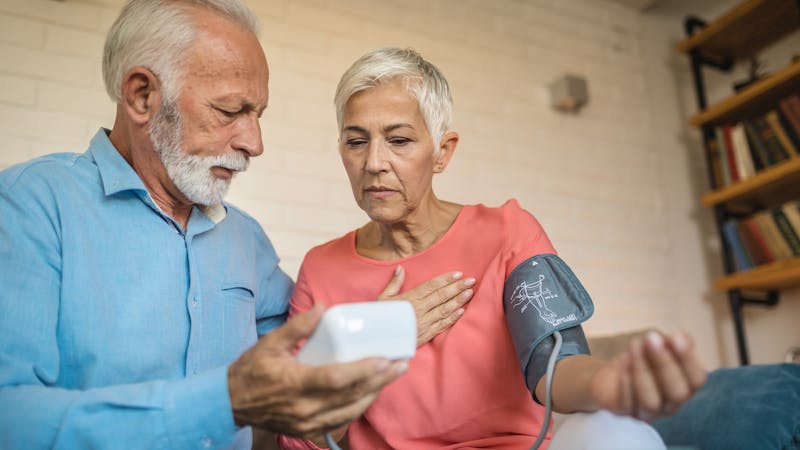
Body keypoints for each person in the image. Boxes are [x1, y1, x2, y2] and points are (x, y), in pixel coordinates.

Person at [0, 3, 473, 449]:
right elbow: (11, 419)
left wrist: (379, 329)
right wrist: (224, 401)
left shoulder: (245, 240)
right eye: (230, 112)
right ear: (141, 96)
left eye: (258, 115)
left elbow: (300, 367)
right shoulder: (31, 206)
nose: (254, 142)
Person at [278, 47, 708, 449]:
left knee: (619, 434)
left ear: (442, 152)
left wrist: (608, 384)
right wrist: (372, 340)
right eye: (356, 142)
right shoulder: (322, 269)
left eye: (399, 140)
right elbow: (299, 439)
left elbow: (553, 362)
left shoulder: (507, 231)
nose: (373, 162)